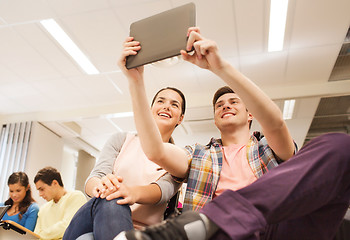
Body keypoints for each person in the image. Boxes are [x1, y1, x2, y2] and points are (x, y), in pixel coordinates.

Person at [114, 27, 350, 240]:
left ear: (250, 115)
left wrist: (221, 68)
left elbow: (275, 123)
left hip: (275, 229)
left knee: (340, 146)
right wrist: (135, 81)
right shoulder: (197, 155)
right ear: (215, 119)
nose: (226, 105)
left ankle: (213, 220)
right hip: (220, 235)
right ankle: (211, 223)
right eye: (219, 105)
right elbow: (155, 151)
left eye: (234, 102)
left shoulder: (268, 148)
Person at [63, 85, 187, 240]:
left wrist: (130, 192)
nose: (166, 107)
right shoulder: (121, 139)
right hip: (100, 213)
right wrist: (101, 184)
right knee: (113, 196)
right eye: (161, 101)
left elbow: (163, 191)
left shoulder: (179, 158)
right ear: (150, 109)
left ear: (180, 118)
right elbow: (94, 178)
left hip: (141, 231)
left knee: (116, 197)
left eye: (174, 105)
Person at [33, 167, 86, 240]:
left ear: (55, 183)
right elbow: (35, 236)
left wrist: (42, 235)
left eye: (42, 189)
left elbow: (67, 227)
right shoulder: (43, 209)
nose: (40, 194)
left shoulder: (76, 197)